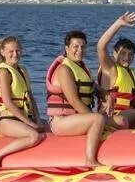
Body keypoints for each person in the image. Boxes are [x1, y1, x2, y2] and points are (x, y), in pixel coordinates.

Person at [44, 30, 106, 166]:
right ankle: (90, 160)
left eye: (83, 47)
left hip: (78, 119)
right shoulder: (64, 70)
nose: (80, 50)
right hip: (60, 122)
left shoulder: (82, 68)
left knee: (119, 120)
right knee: (98, 119)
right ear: (67, 49)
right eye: (76, 47)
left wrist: (105, 95)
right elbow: (74, 101)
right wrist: (95, 118)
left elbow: (94, 88)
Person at [0, 36, 45, 169]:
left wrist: (38, 120)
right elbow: (8, 103)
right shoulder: (3, 72)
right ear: (2, 52)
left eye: (18, 51)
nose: (15, 54)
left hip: (24, 118)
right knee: (33, 136)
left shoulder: (23, 70)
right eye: (11, 51)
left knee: (50, 129)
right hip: (7, 121)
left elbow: (31, 98)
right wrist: (29, 123)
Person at [95, 12, 135, 129]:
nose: (127, 57)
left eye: (130, 54)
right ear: (114, 53)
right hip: (111, 116)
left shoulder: (133, 75)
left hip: (130, 115)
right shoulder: (110, 69)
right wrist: (118, 24)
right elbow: (100, 46)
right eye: (123, 53)